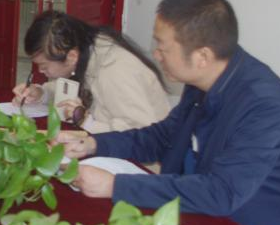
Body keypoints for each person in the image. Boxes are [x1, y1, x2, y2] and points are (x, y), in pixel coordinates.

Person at [56, 0, 280, 225]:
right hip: (200, 221)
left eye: (163, 47)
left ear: (202, 57)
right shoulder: (202, 80)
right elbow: (163, 137)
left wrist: (115, 186)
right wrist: (92, 144)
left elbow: (221, 193)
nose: (156, 54)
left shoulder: (264, 106)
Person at [12, 10, 170, 133]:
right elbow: (72, 89)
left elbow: (140, 133)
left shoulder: (115, 72)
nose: (40, 71)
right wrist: (41, 93)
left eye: (44, 66)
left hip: (143, 162)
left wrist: (86, 122)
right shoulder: (87, 52)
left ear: (71, 57)